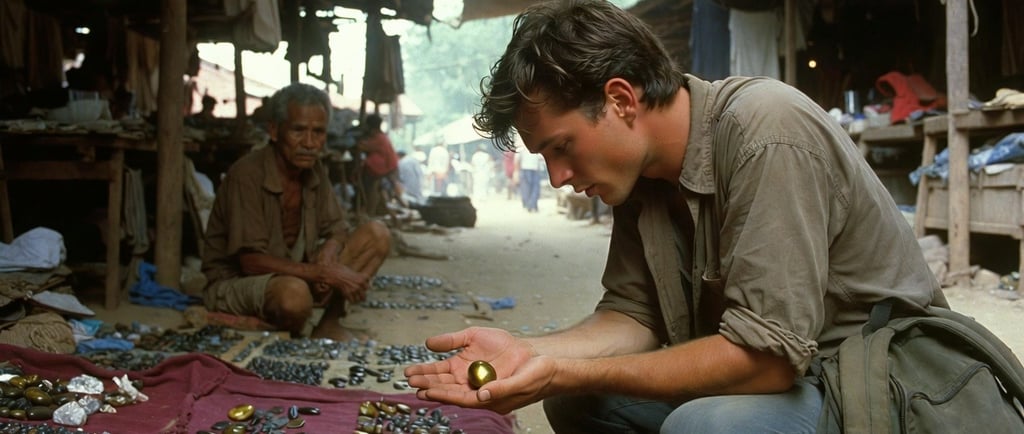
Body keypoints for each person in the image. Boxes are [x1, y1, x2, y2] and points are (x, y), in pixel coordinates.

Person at [404, 1, 949, 432]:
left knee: (706, 425)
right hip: (799, 385)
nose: (557, 177)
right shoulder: (640, 176)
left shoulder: (766, 130)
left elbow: (768, 361)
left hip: (886, 392)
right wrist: (528, 354)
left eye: (562, 147)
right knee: (579, 401)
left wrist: (562, 369)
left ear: (620, 100)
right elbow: (634, 318)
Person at [201, 83, 391, 342]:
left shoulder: (314, 170)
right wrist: (322, 273)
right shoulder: (247, 175)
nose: (310, 143)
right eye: (299, 130)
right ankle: (271, 323)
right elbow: (250, 261)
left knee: (377, 234)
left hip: (295, 271)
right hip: (238, 281)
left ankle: (328, 323)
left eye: (318, 132)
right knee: (294, 295)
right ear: (275, 130)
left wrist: (329, 252)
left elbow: (337, 228)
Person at [357, 114, 400, 216]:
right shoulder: (381, 137)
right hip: (386, 168)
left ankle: (368, 211)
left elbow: (362, 146)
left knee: (368, 186)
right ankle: (371, 210)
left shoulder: (379, 138)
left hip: (385, 169)